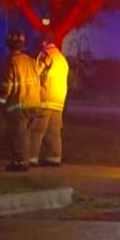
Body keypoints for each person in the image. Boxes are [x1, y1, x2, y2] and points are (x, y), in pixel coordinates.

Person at [0, 29, 42, 172]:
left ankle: (20, 162)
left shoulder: (11, 62)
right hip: (34, 102)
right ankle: (24, 160)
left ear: (9, 45)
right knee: (26, 134)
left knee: (18, 134)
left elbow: (7, 85)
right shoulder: (31, 61)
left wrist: (1, 101)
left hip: (19, 104)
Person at [29, 35, 70, 166]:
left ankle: (31, 158)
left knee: (37, 130)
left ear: (44, 41)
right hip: (59, 102)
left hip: (45, 99)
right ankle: (54, 158)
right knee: (54, 131)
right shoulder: (62, 59)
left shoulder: (45, 54)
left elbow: (36, 74)